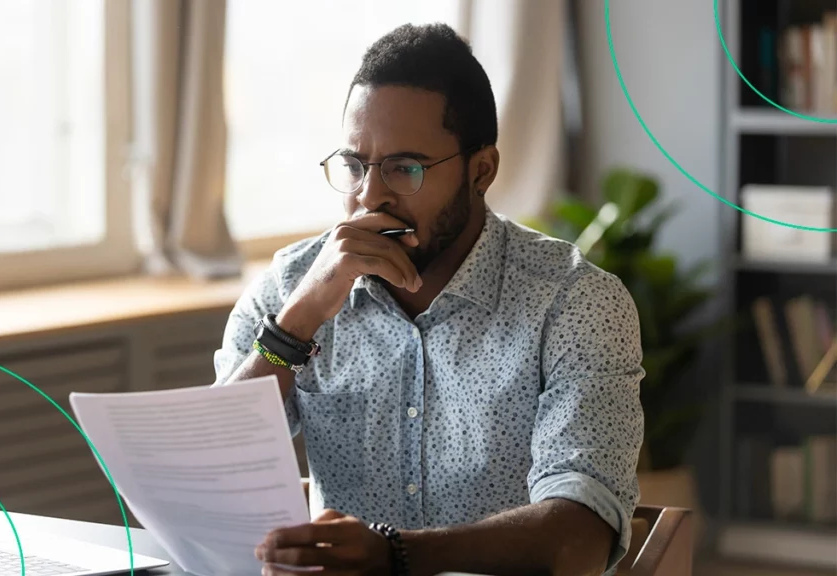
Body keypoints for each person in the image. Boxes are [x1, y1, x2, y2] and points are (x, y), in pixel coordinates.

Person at [212, 22, 644, 576]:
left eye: (404, 168)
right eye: (354, 165)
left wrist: (396, 555)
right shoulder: (290, 290)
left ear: (481, 170)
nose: (369, 196)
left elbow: (580, 538)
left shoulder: (576, 303)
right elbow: (215, 476)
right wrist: (294, 329)